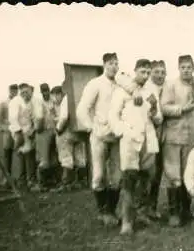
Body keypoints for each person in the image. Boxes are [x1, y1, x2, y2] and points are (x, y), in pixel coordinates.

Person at [109, 59, 162, 235]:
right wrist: (124, 132)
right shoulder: (122, 90)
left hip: (148, 139)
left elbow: (158, 119)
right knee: (129, 180)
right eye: (142, 72)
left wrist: (154, 107)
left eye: (148, 72)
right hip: (130, 140)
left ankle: (141, 214)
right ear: (135, 71)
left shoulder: (151, 91)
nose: (145, 76)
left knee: (146, 178)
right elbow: (113, 118)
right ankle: (126, 221)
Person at [76, 52, 122, 227]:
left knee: (117, 177)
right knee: (99, 174)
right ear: (104, 65)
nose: (114, 67)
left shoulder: (120, 85)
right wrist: (91, 127)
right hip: (99, 135)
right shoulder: (95, 84)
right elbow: (82, 109)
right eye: (110, 63)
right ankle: (102, 211)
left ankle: (111, 211)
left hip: (116, 136)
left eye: (116, 63)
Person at [160, 54, 194, 227]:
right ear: (178, 68)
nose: (186, 70)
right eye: (183, 67)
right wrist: (181, 109)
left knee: (188, 173)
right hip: (173, 135)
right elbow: (163, 108)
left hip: (191, 136)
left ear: (193, 69)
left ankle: (186, 210)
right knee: (173, 174)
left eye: (189, 67)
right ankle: (174, 212)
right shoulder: (171, 84)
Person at [143, 60, 168, 219]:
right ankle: (143, 208)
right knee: (148, 172)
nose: (160, 75)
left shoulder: (168, 86)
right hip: (148, 136)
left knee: (158, 172)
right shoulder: (146, 89)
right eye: (156, 72)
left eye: (162, 72)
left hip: (164, 135)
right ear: (150, 73)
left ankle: (151, 206)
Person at [54, 86, 88, 191]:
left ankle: (66, 183)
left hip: (67, 131)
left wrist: (58, 129)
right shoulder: (81, 95)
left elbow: (64, 116)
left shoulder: (67, 98)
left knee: (66, 158)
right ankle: (81, 182)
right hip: (80, 131)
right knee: (80, 158)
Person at [8, 83, 37, 190]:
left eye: (27, 92)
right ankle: (21, 180)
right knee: (21, 154)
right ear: (20, 92)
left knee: (28, 154)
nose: (25, 94)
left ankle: (27, 180)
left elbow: (32, 117)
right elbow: (13, 118)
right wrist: (18, 133)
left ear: (30, 91)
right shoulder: (15, 102)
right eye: (23, 92)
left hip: (28, 131)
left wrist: (32, 130)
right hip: (19, 131)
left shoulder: (30, 102)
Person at [32, 83, 60, 192]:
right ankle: (41, 183)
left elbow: (55, 115)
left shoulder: (53, 102)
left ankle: (52, 180)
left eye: (47, 90)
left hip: (52, 131)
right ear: (41, 92)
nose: (45, 93)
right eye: (43, 91)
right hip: (43, 132)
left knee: (53, 156)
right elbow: (37, 118)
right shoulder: (39, 103)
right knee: (43, 158)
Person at [0, 84, 18, 185]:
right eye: (12, 91)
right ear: (9, 91)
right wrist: (2, 128)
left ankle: (20, 178)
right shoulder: (4, 104)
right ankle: (6, 178)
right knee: (8, 154)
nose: (14, 93)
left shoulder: (20, 102)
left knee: (21, 155)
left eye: (16, 91)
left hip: (19, 132)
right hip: (8, 132)